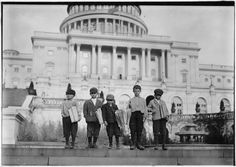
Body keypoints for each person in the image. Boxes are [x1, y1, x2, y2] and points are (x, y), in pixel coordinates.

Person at [128, 85, 147, 150]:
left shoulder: (143, 100)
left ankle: (139, 144)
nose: (137, 92)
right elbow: (128, 109)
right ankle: (133, 144)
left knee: (139, 130)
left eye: (138, 91)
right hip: (133, 115)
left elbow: (145, 109)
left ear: (140, 91)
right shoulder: (131, 100)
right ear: (133, 91)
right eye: (135, 91)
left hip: (140, 115)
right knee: (133, 130)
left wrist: (144, 116)